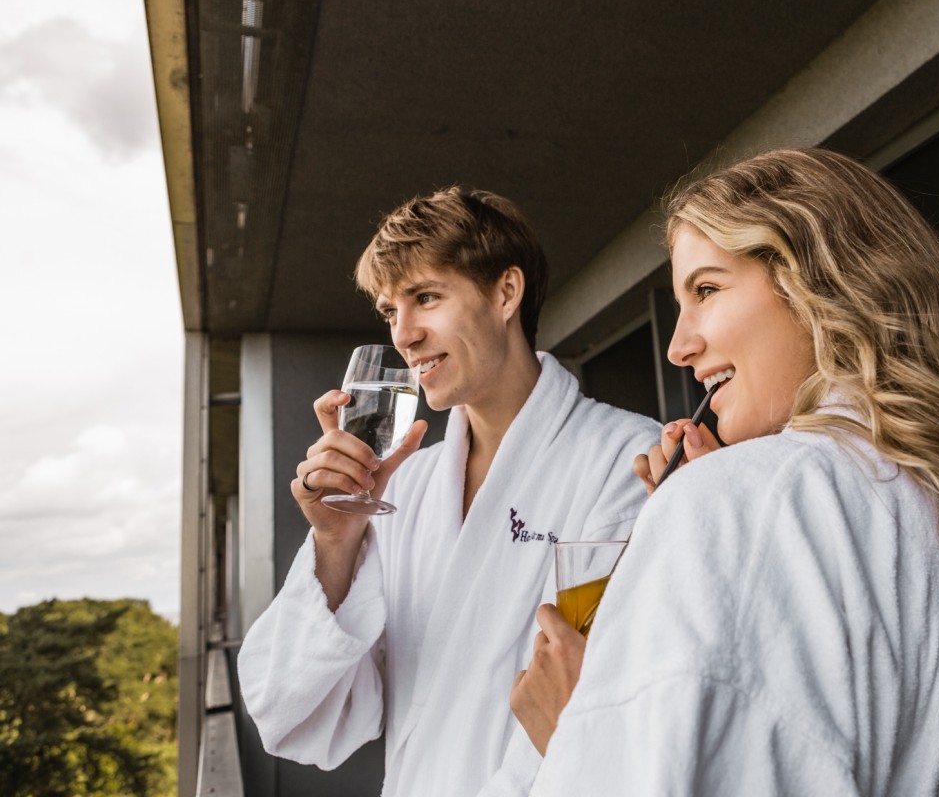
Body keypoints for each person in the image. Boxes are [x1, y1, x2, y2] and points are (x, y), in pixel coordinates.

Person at [512, 148, 939, 795]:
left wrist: (581, 731)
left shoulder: (742, 503)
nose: (679, 347)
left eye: (706, 290)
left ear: (820, 284)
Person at [237, 187, 658, 797]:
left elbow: (594, 706)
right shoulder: (408, 484)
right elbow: (294, 715)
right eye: (389, 311)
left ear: (505, 293)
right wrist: (336, 541)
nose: (404, 335)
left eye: (426, 298)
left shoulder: (625, 460)